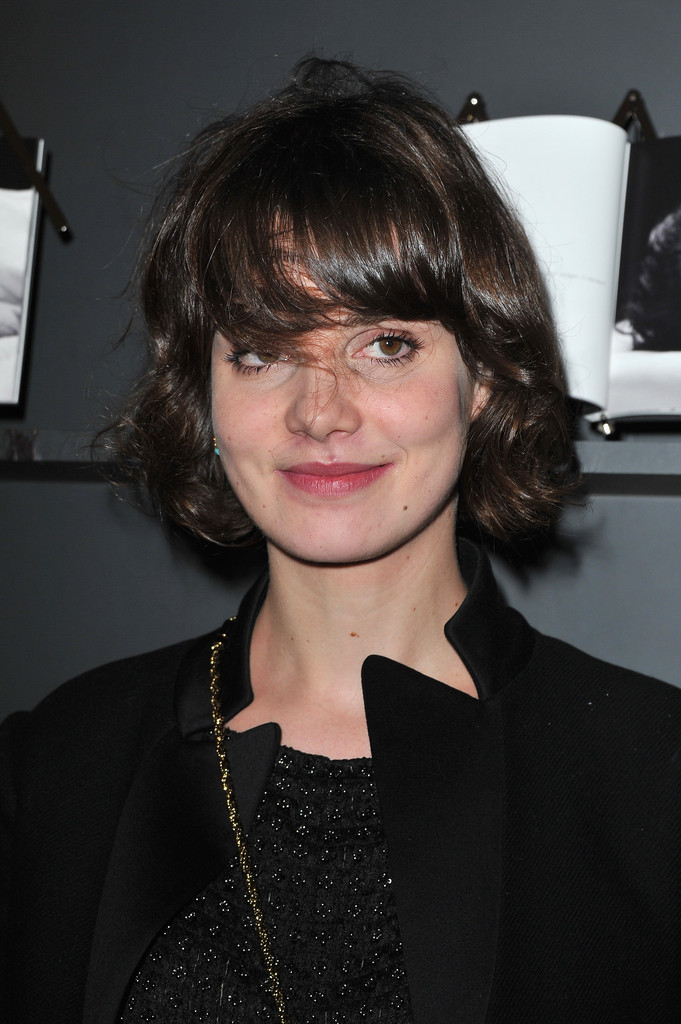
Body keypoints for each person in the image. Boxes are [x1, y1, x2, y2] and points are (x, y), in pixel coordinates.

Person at [1, 58, 680, 1024]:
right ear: (204, 393)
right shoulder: (60, 763)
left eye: (385, 345)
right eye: (262, 351)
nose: (319, 412)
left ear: (482, 379)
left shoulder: (651, 776)